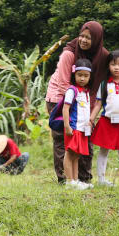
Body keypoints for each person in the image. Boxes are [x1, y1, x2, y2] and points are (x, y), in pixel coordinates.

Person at [45, 21, 109, 183]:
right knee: (63, 139)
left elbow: (96, 87)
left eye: (89, 37)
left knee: (85, 138)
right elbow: (63, 84)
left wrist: (90, 113)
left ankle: (84, 178)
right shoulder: (69, 53)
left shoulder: (102, 57)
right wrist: (77, 107)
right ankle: (65, 179)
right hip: (61, 99)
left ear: (97, 39)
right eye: (81, 35)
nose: (83, 40)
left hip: (85, 101)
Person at [91, 50, 119, 188]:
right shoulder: (104, 84)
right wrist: (91, 118)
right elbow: (98, 103)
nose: (116, 67)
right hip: (107, 121)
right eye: (113, 64)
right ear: (108, 66)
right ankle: (101, 179)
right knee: (103, 151)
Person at [61, 58, 93, 189]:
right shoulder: (72, 90)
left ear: (90, 76)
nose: (82, 78)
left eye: (86, 76)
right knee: (69, 153)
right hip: (73, 127)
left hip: (82, 128)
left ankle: (75, 180)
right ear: (74, 74)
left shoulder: (85, 92)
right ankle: (69, 181)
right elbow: (65, 108)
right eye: (80, 75)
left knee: (76, 155)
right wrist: (67, 125)